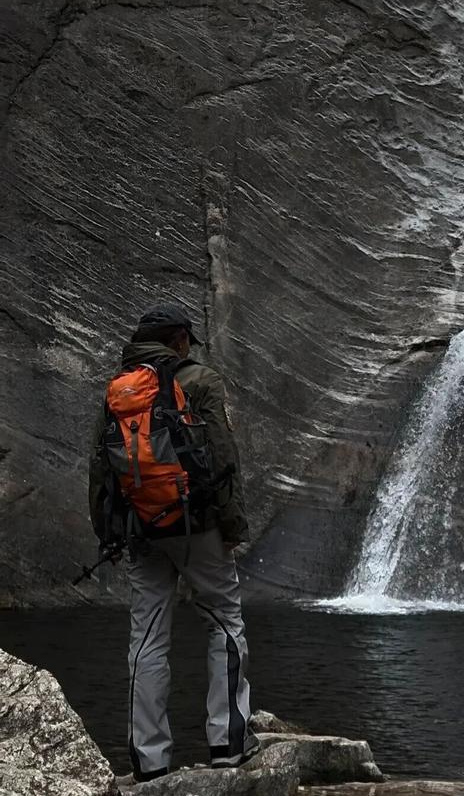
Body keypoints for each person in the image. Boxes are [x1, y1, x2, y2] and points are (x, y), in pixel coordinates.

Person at [88, 302, 258, 782]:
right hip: (197, 524)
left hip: (141, 529)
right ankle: (228, 744)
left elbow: (100, 468)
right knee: (223, 620)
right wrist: (233, 527)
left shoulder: (118, 391)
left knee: (146, 638)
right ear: (180, 338)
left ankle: (149, 760)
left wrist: (110, 534)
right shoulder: (201, 381)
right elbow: (224, 458)